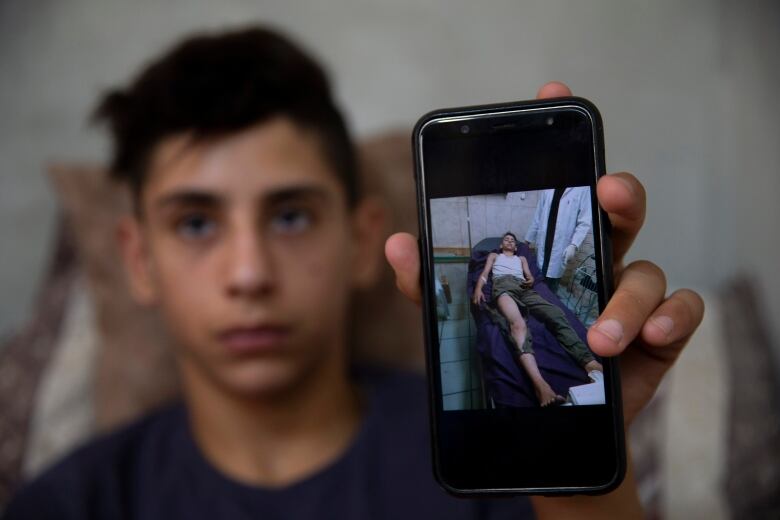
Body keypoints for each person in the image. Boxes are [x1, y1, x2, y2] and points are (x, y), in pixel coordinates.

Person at [2, 26, 704, 520]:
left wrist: (586, 495)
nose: (248, 274)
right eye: (195, 223)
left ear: (364, 240)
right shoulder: (70, 503)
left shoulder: (494, 469)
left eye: (290, 217)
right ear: (138, 260)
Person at [472, 232, 602, 406]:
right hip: (503, 286)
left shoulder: (522, 259)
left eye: (512, 240)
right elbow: (484, 274)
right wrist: (478, 288)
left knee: (556, 314)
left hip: (524, 289)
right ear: (502, 245)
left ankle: (590, 363)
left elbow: (530, 277)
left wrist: (530, 280)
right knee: (517, 324)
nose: (510, 242)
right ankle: (540, 386)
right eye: (506, 240)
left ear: (516, 247)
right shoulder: (494, 255)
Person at [525, 186, 591, 292]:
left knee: (552, 283)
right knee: (538, 279)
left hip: (560, 246)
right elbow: (537, 217)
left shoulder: (583, 189)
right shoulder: (547, 189)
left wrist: (574, 245)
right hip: (543, 243)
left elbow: (584, 222)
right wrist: (527, 240)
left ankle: (550, 302)